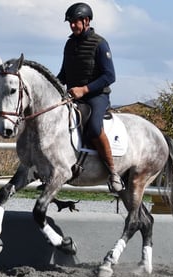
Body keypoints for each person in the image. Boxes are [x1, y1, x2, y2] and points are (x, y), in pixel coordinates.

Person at [57, 2, 125, 193]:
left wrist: (84, 89)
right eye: (69, 22)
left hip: (96, 97)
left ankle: (113, 173)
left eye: (74, 22)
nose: (71, 25)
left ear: (86, 21)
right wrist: (51, 84)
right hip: (73, 96)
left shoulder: (100, 43)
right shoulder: (70, 44)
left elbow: (109, 76)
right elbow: (63, 74)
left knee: (94, 127)